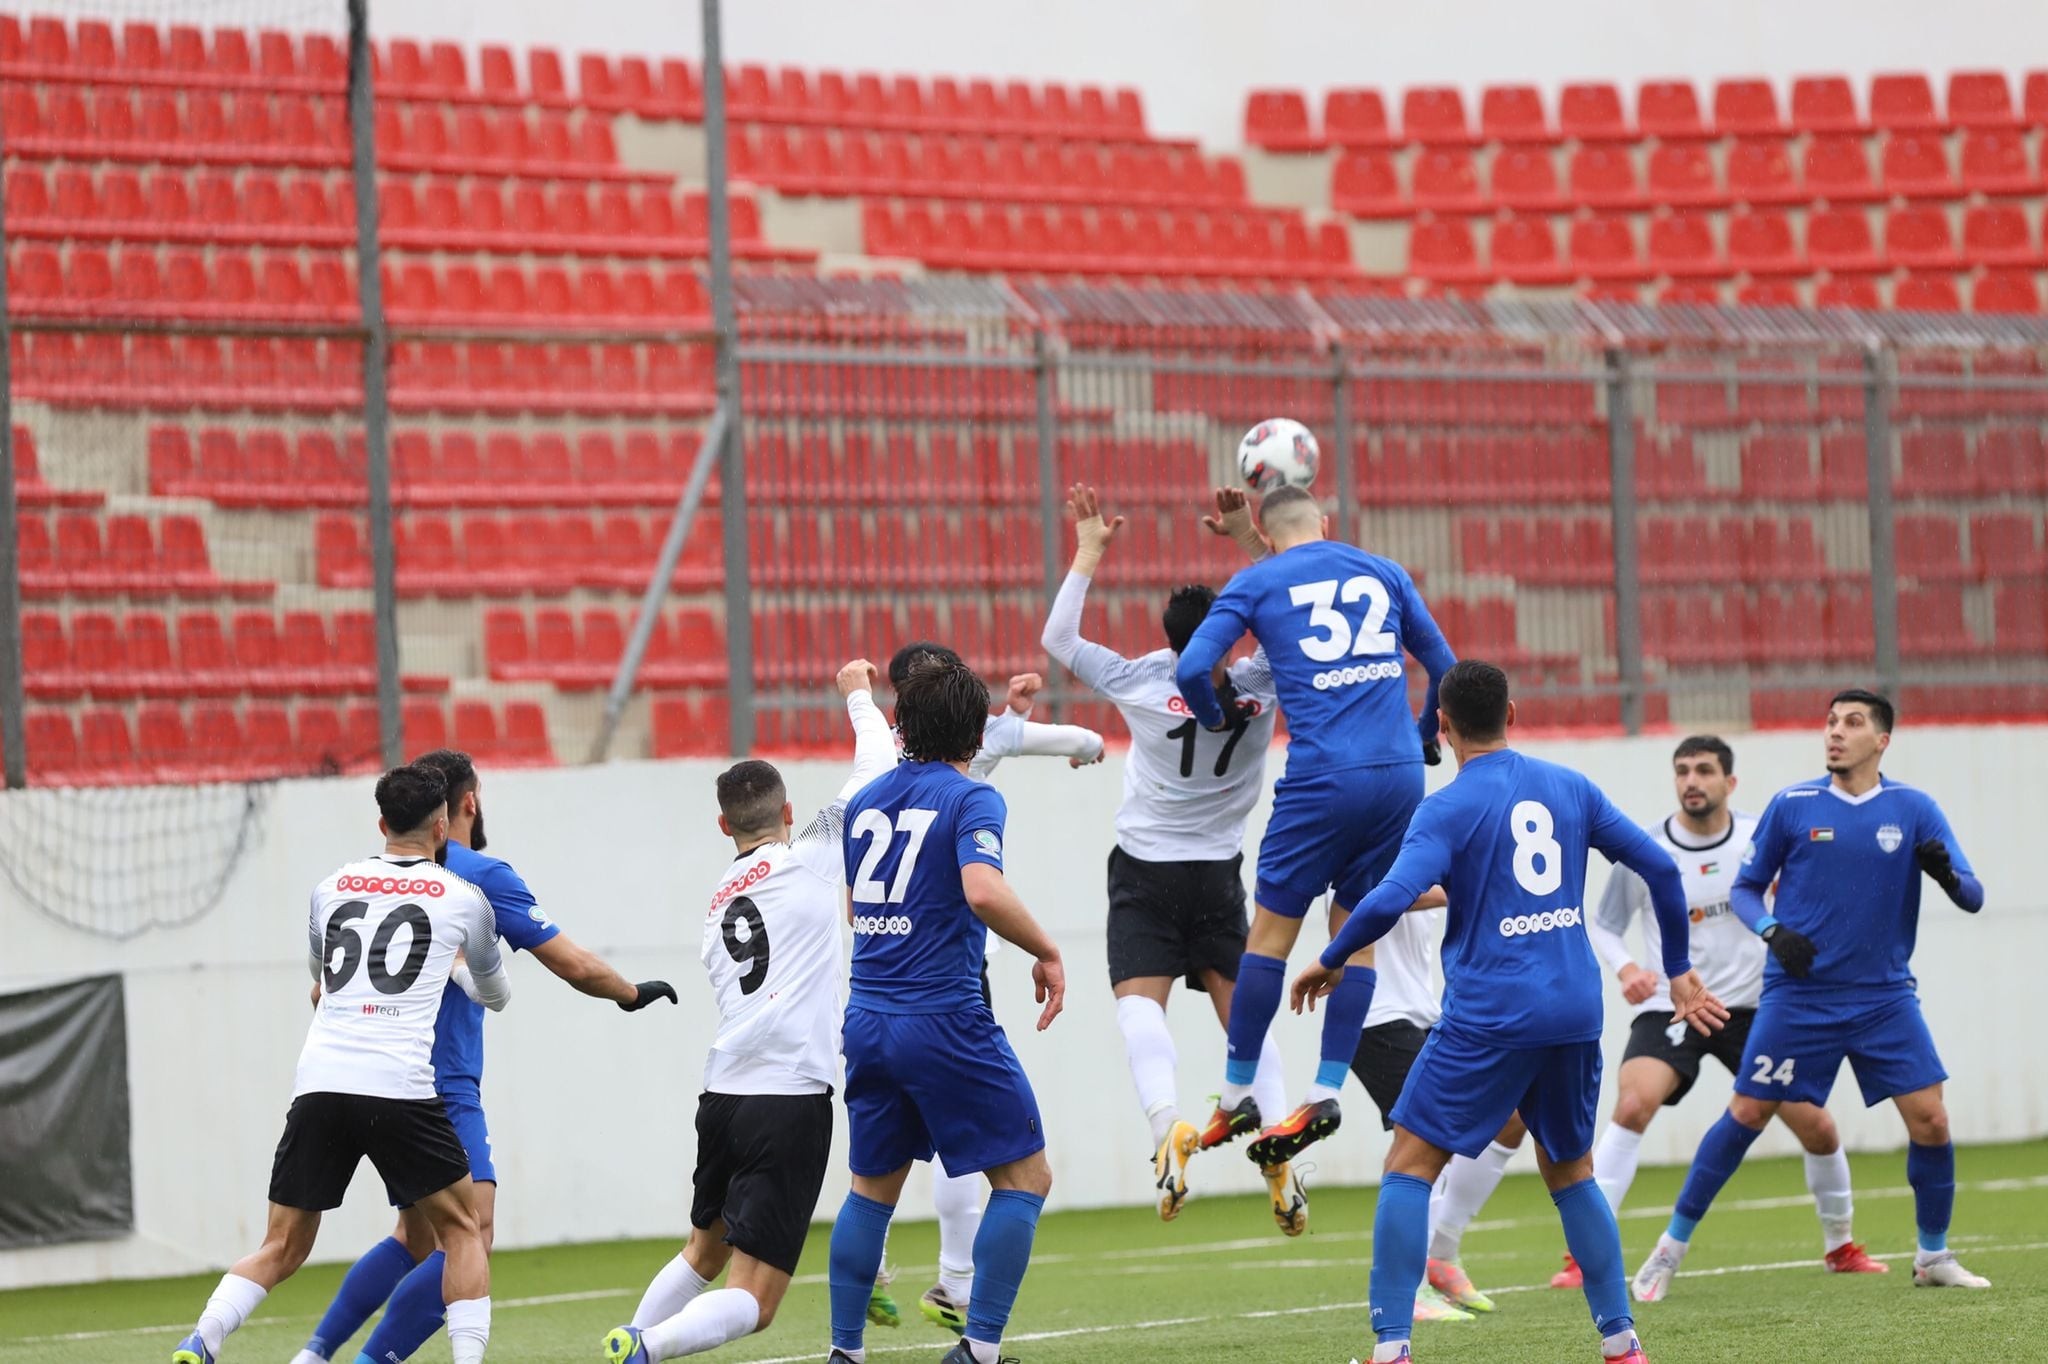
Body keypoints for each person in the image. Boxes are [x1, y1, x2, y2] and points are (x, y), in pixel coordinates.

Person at [1288, 660, 1728, 1364]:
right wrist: (1678, 970)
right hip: (1574, 1010)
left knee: (1409, 1164)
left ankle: (1391, 1348)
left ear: (1443, 725)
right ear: (1512, 714)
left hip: (1491, 1012)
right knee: (1572, 1172)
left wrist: (1333, 956)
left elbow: (1390, 895)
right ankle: (1622, 1344)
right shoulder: (1571, 786)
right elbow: (1661, 867)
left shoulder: (1446, 807)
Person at [291, 751, 675, 1364]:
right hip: (440, 1083)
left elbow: (321, 986)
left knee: (415, 1236)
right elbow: (571, 963)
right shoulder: (480, 877)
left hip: (364, 1075)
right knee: (473, 1229)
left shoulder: (371, 875)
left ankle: (314, 1355)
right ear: (467, 803)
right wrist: (630, 993)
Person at [1632, 690, 1990, 1302]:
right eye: (1830, 722)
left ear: (1881, 741)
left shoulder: (1914, 808)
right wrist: (1774, 932)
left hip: (1883, 998)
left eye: (1852, 723)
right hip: (1798, 998)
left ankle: (1933, 1254)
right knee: (1747, 1113)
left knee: (1931, 1120)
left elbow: (1974, 896)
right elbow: (1745, 889)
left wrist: (1947, 875)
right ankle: (1669, 1249)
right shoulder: (1793, 805)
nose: (1835, 732)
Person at [604, 659, 896, 1362]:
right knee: (756, 1300)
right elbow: (878, 765)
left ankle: (631, 1341)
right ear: (789, 815)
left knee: (701, 1251)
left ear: (722, 824)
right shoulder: (809, 856)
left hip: (722, 1097)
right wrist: (858, 694)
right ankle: (644, 1350)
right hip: (786, 1100)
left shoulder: (717, 903)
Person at [173, 764, 512, 1364]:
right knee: (464, 1231)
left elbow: (321, 978)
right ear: (442, 828)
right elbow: (497, 994)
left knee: (281, 1245)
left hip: (321, 1083)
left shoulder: (330, 887)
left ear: (382, 824)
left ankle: (203, 1337)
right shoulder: (465, 898)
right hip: (400, 1086)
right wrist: (456, 968)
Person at [1175, 482, 1457, 1190]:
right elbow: (1447, 670)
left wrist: (1213, 715)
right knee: (1358, 937)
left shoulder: (1256, 580)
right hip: (1397, 775)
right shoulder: (1383, 571)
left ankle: (1237, 1094)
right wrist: (1424, 736)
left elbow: (1191, 668)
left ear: (1268, 537)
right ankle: (1326, 1089)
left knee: (1269, 938)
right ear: (1325, 523)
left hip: (1323, 776)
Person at [1538, 736, 1882, 1291]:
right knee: (1633, 1104)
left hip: (1755, 1009)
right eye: (1682, 771)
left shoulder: (1760, 839)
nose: (1691, 781)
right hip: (1674, 1005)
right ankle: (1583, 1255)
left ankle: (1840, 1246)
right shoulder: (1647, 847)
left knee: (1817, 1127)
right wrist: (1627, 969)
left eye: (1703, 770)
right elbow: (1604, 924)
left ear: (1730, 782)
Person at [1039, 484, 1293, 1224]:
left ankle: (1165, 1128)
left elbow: (1060, 641)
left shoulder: (1144, 681)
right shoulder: (1262, 680)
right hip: (1217, 872)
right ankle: (1278, 1140)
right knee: (1243, 1013)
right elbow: (1293, 618)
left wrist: (1089, 552)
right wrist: (1249, 539)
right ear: (1229, 634)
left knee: (1138, 1007)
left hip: (1146, 869)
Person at [826, 655, 1066, 1364]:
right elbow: (982, 889)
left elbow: (855, 908)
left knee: (870, 1192)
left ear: (900, 727)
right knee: (1026, 1179)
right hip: (942, 1016)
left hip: (868, 1018)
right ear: (975, 735)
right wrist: (1047, 950)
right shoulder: (972, 799)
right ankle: (978, 1350)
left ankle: (845, 1352)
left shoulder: (865, 802)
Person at [863, 640, 1101, 1336]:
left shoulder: (877, 764)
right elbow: (1071, 739)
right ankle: (957, 1281)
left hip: (876, 977)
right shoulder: (972, 753)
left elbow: (833, 825)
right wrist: (1085, 745)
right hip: (948, 977)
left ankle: (865, 1286)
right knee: (975, 1139)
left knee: (880, 1157)